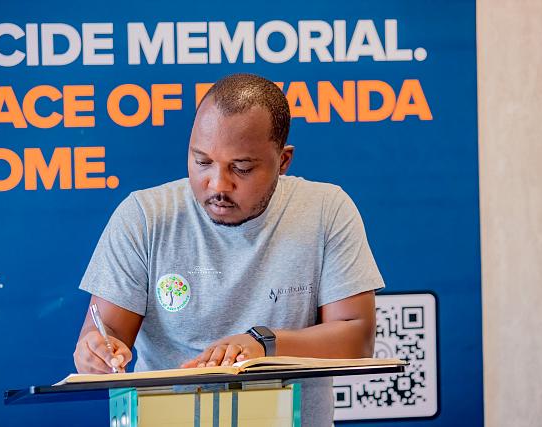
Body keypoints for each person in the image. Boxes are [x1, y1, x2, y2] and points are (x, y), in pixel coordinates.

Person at [73, 73, 384, 426]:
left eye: (241, 168)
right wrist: (95, 352)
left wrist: (262, 345)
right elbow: (105, 334)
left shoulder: (326, 210)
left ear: (283, 161)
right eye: (202, 162)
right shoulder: (144, 217)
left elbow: (356, 339)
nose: (218, 185)